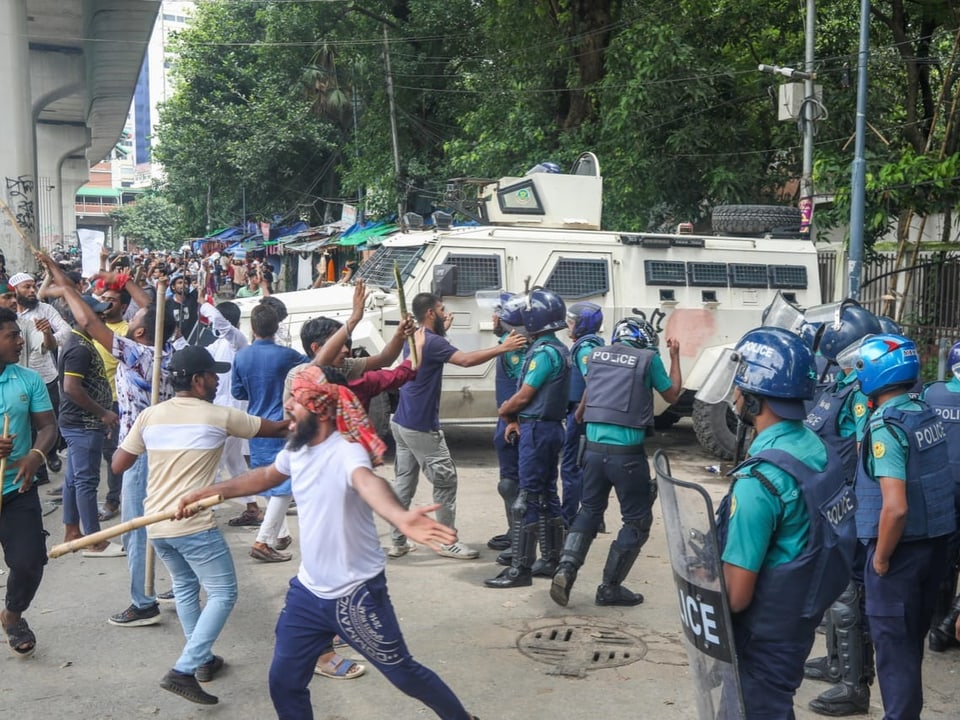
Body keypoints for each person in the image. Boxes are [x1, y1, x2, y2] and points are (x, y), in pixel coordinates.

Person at [175, 365, 480, 720]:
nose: (287, 406)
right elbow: (265, 476)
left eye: (295, 401)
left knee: (403, 673)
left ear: (318, 407)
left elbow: (368, 483)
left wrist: (399, 517)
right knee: (284, 681)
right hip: (308, 593)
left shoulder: (345, 451)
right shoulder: (297, 448)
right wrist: (209, 491)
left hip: (356, 594)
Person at [113, 345, 289, 705]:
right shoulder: (219, 416)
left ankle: (202, 660)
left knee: (186, 587)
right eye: (212, 374)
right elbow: (277, 429)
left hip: (157, 524)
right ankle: (185, 667)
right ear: (197, 380)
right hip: (192, 524)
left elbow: (118, 464)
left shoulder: (149, 416)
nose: (217, 379)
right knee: (224, 593)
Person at [702, 327, 855, 719]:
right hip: (800, 616)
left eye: (739, 387)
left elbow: (735, 596)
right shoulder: (816, 447)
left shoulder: (759, 483)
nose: (734, 395)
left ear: (753, 398)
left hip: (764, 635)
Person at [35, 254, 178, 627]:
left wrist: (67, 285)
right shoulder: (169, 352)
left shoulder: (136, 354)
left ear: (142, 332)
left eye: (132, 320)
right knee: (168, 523)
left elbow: (88, 320)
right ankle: (180, 585)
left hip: (142, 453)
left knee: (134, 529)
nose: (128, 319)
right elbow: (153, 309)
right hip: (167, 451)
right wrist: (119, 279)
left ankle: (142, 603)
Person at [854, 333, 957, 719]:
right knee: (909, 646)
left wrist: (881, 558)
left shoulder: (886, 426)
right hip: (933, 549)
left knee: (894, 658)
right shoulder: (922, 410)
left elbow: (895, 508)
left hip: (899, 554)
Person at [549, 317, 681, 604]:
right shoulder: (648, 359)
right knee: (637, 520)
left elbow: (582, 411)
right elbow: (671, 394)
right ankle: (609, 588)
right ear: (644, 338)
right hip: (627, 457)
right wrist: (674, 357)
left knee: (589, 511)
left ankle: (566, 568)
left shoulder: (595, 355)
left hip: (593, 453)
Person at [389, 292, 526, 560]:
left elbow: (434, 350)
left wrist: (444, 332)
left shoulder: (415, 335)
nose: (445, 313)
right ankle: (447, 541)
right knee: (445, 482)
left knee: (404, 483)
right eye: (441, 310)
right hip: (420, 425)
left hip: (401, 421)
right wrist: (502, 347)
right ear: (430, 313)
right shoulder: (433, 341)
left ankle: (398, 541)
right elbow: (464, 360)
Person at [801, 303, 881, 716]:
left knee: (849, 596)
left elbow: (867, 454)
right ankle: (835, 663)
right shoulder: (839, 385)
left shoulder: (860, 394)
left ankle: (854, 685)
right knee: (834, 589)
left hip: (848, 504)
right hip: (830, 499)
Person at [485, 288, 571, 588]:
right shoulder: (557, 349)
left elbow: (524, 396)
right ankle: (550, 558)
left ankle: (519, 570)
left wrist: (506, 411)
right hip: (545, 428)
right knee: (547, 495)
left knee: (526, 499)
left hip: (537, 431)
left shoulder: (544, 353)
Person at [0, 306, 58, 658]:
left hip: (16, 489)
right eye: (12, 336)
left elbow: (48, 427)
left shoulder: (28, 379)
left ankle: (12, 615)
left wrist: (34, 456)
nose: (20, 341)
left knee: (29, 562)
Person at [232, 303, 306, 562]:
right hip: (283, 424)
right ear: (277, 328)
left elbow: (237, 392)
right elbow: (312, 369)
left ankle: (280, 533)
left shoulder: (241, 356)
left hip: (256, 424)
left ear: (253, 328)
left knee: (269, 480)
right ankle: (264, 540)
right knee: (284, 485)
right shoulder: (288, 355)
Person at [57, 293, 123, 557]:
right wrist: (103, 413)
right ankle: (95, 541)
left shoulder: (81, 342)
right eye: (98, 315)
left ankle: (73, 531)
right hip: (83, 424)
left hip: (81, 423)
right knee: (86, 481)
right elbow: (71, 387)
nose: (103, 319)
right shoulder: (80, 348)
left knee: (74, 480)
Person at [11, 271, 70, 479]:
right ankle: (38, 468)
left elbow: (66, 331)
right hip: (16, 378)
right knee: (26, 423)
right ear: (15, 290)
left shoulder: (44, 309)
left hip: (45, 376)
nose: (32, 291)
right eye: (26, 287)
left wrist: (49, 336)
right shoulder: (10, 316)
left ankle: (51, 452)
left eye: (34, 286)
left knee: (48, 419)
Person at [922, 339, 960, 653]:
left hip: (940, 490)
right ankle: (952, 623)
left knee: (944, 560)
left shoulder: (931, 393)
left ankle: (937, 630)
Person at [487, 293, 527, 555]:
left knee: (514, 482)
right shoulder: (508, 343)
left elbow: (524, 387)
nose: (493, 318)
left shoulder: (516, 348)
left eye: (498, 314)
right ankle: (516, 531)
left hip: (515, 422)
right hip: (508, 419)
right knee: (509, 481)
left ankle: (521, 536)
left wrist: (513, 419)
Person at [560, 301, 605, 527]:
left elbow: (593, 382)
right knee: (589, 466)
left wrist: (579, 412)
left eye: (571, 322)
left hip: (581, 414)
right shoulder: (596, 344)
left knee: (572, 466)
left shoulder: (584, 349)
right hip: (588, 413)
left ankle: (568, 517)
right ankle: (595, 516)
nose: (568, 326)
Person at [90, 280, 130, 522]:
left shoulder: (126, 331)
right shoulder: (94, 328)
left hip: (115, 402)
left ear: (123, 307)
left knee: (113, 453)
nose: (106, 304)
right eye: (103, 299)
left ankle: (113, 500)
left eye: (112, 300)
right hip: (92, 401)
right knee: (98, 452)